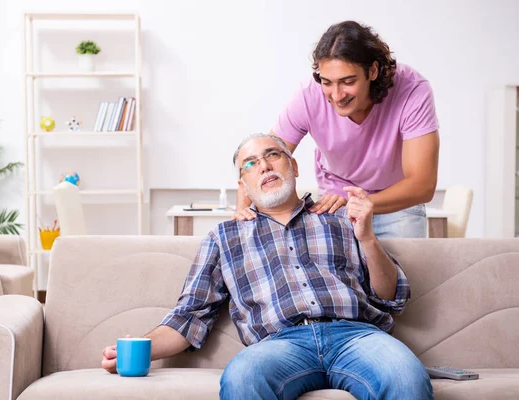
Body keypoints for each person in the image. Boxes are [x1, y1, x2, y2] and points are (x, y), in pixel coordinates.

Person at [102, 133, 433, 400]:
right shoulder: (225, 237)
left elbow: (394, 297)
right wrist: (138, 350)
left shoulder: (341, 218)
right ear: (243, 186)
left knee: (405, 376)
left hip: (356, 336)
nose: (263, 165)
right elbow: (189, 317)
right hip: (279, 344)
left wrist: (369, 240)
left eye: (273, 155)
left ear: (294, 167)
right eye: (250, 163)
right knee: (243, 377)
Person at [234, 21, 440, 239]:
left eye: (348, 81)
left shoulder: (412, 90)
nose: (337, 95)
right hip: (336, 202)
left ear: (373, 70)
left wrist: (360, 203)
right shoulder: (309, 95)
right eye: (327, 83)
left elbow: (422, 185)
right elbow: (264, 154)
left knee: (405, 271)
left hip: (397, 204)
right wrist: (242, 211)